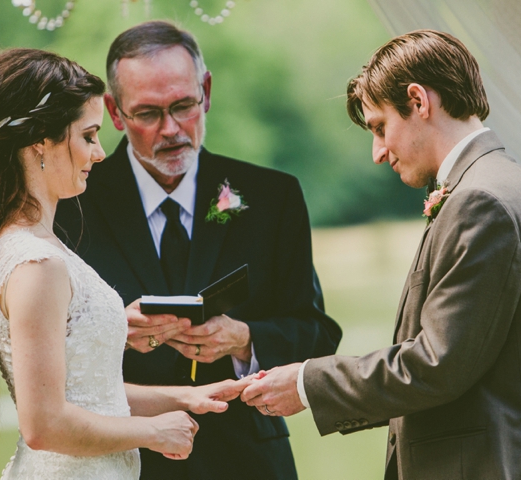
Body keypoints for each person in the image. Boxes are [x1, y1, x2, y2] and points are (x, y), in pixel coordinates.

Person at [240, 30, 521, 478]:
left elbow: (437, 364)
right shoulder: (499, 183)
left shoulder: (481, 201)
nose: (378, 153)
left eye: (380, 127)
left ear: (419, 101)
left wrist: (308, 384)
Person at [0, 48, 247, 480]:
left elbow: (89, 397)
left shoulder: (32, 247)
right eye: (88, 135)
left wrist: (186, 397)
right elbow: (45, 425)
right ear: (41, 140)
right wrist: (152, 432)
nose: (99, 153)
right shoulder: (36, 263)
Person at [54, 21, 342, 480]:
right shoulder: (70, 207)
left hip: (249, 461)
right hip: (123, 461)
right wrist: (114, 330)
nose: (170, 130)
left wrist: (245, 339)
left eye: (183, 106)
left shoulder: (272, 196)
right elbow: (48, 359)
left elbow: (317, 335)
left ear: (205, 91)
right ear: (113, 111)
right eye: (147, 113)